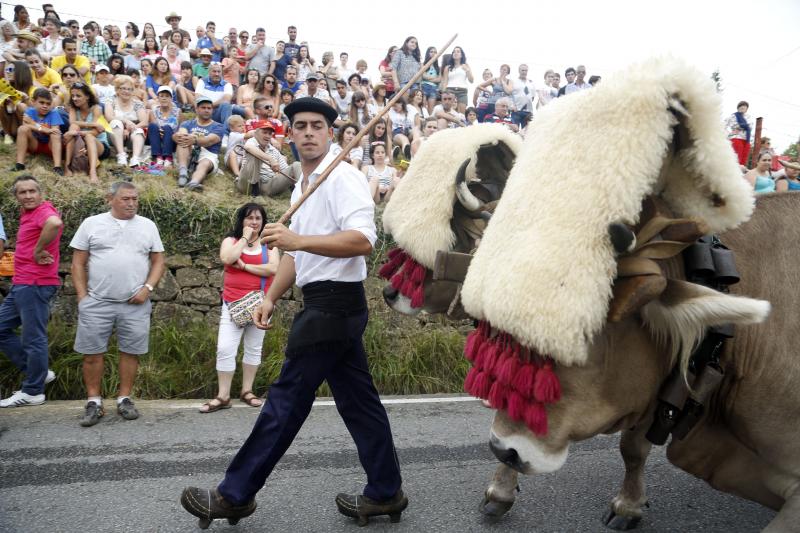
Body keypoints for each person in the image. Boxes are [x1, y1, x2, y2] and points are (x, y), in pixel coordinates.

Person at [180, 97, 407, 527]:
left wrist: (299, 242)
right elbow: (291, 255)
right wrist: (270, 296)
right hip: (323, 302)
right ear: (290, 134)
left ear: (329, 132)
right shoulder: (304, 185)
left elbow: (362, 240)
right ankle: (386, 491)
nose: (307, 132)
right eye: (299, 125)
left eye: (316, 125)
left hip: (335, 305)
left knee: (284, 402)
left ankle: (234, 495)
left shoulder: (343, 178)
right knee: (360, 404)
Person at [70, 181, 166, 427]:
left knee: (131, 352)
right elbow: (78, 263)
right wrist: (83, 297)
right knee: (92, 354)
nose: (132, 203)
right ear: (109, 199)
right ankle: (94, 401)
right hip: (97, 302)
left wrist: (148, 288)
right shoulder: (92, 223)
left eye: (135, 198)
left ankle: (124, 398)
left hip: (135, 303)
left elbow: (158, 261)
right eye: (125, 198)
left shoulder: (148, 226)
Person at [199, 202, 279, 413]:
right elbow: (227, 258)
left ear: (263, 222)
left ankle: (247, 391)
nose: (254, 222)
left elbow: (273, 268)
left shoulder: (269, 243)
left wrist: (244, 267)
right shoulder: (231, 241)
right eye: (249, 218)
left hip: (260, 304)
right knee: (225, 348)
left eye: (258, 218)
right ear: (242, 220)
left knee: (254, 348)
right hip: (232, 303)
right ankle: (223, 395)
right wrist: (244, 238)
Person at [0, 176, 62, 408]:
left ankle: (33, 391)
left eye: (32, 191)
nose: (27, 196)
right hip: (22, 282)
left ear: (40, 193)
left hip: (36, 282)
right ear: (16, 197)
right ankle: (38, 371)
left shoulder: (43, 211)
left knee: (33, 338)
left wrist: (38, 250)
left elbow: (54, 223)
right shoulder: (28, 214)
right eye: (22, 192)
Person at [173, 95, 225, 190]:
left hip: (208, 154)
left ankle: (194, 183)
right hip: (188, 151)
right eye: (203, 107)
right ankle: (183, 173)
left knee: (205, 163)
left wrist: (194, 139)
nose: (206, 110)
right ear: (196, 109)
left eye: (209, 108)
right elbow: (181, 134)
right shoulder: (187, 123)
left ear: (212, 110)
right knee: (183, 141)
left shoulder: (218, 126)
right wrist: (177, 136)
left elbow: (209, 140)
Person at [64, 81, 110, 183]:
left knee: (88, 136)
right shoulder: (73, 108)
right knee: (74, 126)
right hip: (80, 143)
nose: (74, 98)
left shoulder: (96, 108)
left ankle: (92, 172)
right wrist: (93, 124)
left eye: (78, 96)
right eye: (73, 96)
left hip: (99, 144)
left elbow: (95, 132)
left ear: (87, 97)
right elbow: (72, 123)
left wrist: (77, 133)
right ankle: (67, 166)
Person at [12, 87, 63, 174]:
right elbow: (26, 127)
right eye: (41, 102)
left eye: (48, 103)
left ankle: (57, 167)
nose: (45, 106)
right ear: (33, 101)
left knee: (55, 134)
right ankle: (20, 164)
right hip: (34, 144)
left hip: (50, 146)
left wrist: (33, 123)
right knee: (22, 129)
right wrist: (45, 130)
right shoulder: (29, 111)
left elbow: (55, 131)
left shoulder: (54, 113)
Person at [235, 119, 291, 197]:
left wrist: (283, 175)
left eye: (270, 133)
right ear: (256, 133)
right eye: (264, 132)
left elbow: (285, 169)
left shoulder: (273, 150)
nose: (268, 136)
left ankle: (302, 191)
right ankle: (255, 192)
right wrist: (270, 159)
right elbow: (248, 147)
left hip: (267, 185)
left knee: (296, 166)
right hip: (247, 184)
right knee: (255, 154)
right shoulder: (252, 141)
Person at [105, 75, 148, 167]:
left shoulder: (137, 103)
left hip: (131, 134)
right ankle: (121, 156)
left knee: (139, 131)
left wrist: (130, 129)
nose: (126, 91)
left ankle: (135, 159)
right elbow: (109, 117)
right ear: (117, 89)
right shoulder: (111, 100)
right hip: (114, 135)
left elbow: (144, 122)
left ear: (133, 91)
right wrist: (125, 121)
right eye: (123, 88)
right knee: (116, 122)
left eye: (129, 89)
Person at [195, 62, 246, 128]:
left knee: (226, 105)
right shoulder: (202, 81)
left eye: (219, 72)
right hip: (204, 110)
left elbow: (226, 99)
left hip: (217, 112)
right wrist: (208, 107)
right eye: (214, 71)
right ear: (209, 72)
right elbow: (198, 98)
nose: (217, 74)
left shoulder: (227, 84)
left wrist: (210, 106)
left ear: (221, 73)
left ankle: (225, 134)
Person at [147, 86, 179, 167]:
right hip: (157, 138)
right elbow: (155, 127)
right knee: (152, 126)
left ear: (171, 98)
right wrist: (160, 132)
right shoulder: (153, 111)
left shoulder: (178, 111)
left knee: (167, 128)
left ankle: (168, 157)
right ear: (158, 98)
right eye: (162, 96)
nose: (164, 98)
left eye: (167, 96)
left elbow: (180, 127)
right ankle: (158, 157)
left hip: (171, 138)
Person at [441, 46, 473, 114]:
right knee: (449, 112)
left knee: (461, 114)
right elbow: (445, 81)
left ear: (461, 55)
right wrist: (443, 93)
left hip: (462, 91)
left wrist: (467, 70)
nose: (456, 53)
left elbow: (471, 80)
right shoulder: (447, 67)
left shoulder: (466, 66)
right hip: (450, 90)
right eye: (454, 52)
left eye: (458, 51)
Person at [420, 46, 441, 115]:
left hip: (433, 89)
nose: (433, 53)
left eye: (435, 52)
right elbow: (423, 75)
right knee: (423, 107)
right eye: (431, 52)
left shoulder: (438, 67)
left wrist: (428, 78)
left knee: (431, 109)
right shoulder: (423, 64)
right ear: (428, 53)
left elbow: (439, 79)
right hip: (424, 87)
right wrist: (434, 79)